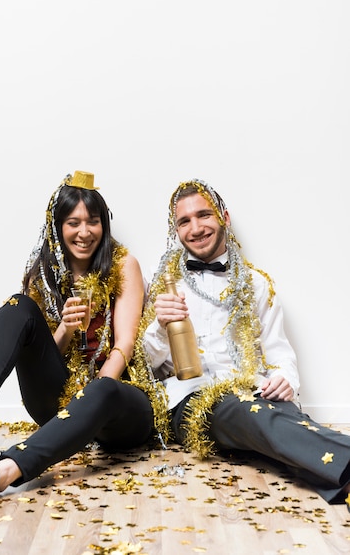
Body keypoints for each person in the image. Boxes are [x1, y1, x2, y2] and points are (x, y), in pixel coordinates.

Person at [0, 171, 168, 514]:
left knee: (102, 388)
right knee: (18, 306)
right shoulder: (42, 273)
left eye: (93, 222)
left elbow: (125, 344)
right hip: (59, 403)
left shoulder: (122, 264)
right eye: (73, 222)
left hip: (119, 406)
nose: (84, 232)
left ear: (104, 225)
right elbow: (36, 357)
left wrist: (92, 397)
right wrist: (65, 331)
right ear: (57, 227)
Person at [138, 178, 350, 506]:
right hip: (193, 401)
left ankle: (340, 482)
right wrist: (159, 325)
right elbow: (147, 367)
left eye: (204, 215)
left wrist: (285, 381)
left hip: (253, 391)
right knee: (254, 414)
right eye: (184, 221)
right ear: (176, 230)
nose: (195, 228)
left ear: (224, 215)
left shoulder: (257, 284)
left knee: (280, 418)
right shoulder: (164, 280)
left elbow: (279, 353)